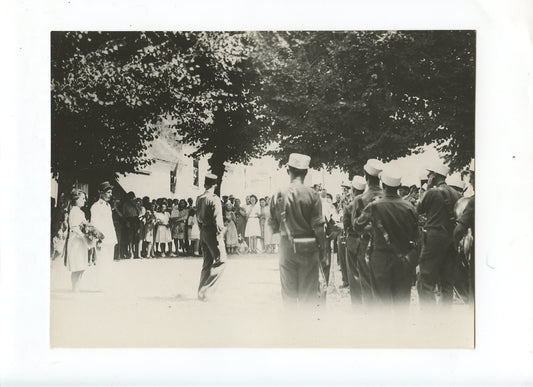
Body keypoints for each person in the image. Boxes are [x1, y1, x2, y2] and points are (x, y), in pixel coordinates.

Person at [270, 153, 327, 307]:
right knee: (308, 296)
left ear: (288, 170)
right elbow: (319, 227)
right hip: (309, 246)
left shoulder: (278, 194)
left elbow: (273, 225)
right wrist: (323, 250)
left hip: (286, 246)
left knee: (288, 296)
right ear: (306, 172)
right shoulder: (313, 195)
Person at [355, 170, 418, 307]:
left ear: (383, 185)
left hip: (380, 258)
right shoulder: (409, 207)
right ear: (399, 186)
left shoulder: (374, 206)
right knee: (401, 302)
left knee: (381, 302)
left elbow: (358, 226)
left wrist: (373, 228)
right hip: (403, 258)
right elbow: (417, 236)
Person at [417, 160, 462, 306]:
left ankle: (429, 318)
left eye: (430, 175)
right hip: (451, 238)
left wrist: (423, 192)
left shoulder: (432, 192)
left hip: (434, 238)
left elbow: (419, 209)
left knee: (426, 280)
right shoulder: (456, 193)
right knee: (447, 281)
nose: (428, 177)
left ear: (435, 175)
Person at [351, 159, 384, 306]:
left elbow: (355, 226)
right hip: (388, 244)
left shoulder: (360, 199)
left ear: (365, 176)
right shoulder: (388, 196)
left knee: (367, 282)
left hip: (366, 244)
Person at [196, 173, 227, 301]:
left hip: (203, 231)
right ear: (215, 185)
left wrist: (202, 231)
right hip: (213, 232)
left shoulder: (199, 198)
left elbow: (198, 218)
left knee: (207, 263)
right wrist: (220, 234)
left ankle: (200, 292)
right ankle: (206, 290)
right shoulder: (215, 199)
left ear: (205, 184)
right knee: (221, 261)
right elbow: (218, 221)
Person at [90, 181, 118, 292]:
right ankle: (101, 285)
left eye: (111, 192)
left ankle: (107, 284)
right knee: (101, 262)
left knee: (108, 262)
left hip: (110, 238)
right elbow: (95, 224)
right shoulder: (96, 206)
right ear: (101, 193)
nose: (110, 194)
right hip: (101, 239)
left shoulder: (108, 205)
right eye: (108, 192)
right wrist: (98, 239)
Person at [342, 175, 366, 298]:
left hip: (352, 240)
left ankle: (357, 302)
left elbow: (345, 225)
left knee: (353, 272)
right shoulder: (369, 202)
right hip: (366, 240)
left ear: (353, 189)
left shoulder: (349, 206)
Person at [65, 189, 90, 292]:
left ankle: (77, 286)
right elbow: (74, 227)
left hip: (81, 242)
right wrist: (84, 236)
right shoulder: (74, 211)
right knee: (77, 266)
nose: (84, 200)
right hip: (76, 242)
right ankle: (75, 288)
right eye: (82, 198)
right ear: (76, 199)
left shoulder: (80, 212)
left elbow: (84, 225)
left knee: (82, 266)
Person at [121, 191, 141, 259]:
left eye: (133, 198)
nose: (132, 199)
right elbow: (123, 215)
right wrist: (126, 222)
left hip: (136, 220)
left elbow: (139, 213)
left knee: (137, 237)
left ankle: (137, 254)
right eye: (131, 198)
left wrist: (135, 205)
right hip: (129, 220)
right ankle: (131, 253)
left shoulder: (136, 204)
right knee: (130, 238)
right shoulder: (125, 204)